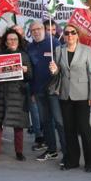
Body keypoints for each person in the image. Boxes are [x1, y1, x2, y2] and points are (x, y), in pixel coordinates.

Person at [49, 23, 91, 172]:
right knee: (69, 130)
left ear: (77, 34)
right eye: (67, 33)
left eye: (72, 32)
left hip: (83, 95)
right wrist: (54, 70)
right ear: (63, 35)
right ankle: (72, 161)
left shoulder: (86, 50)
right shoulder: (59, 49)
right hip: (65, 95)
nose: (69, 35)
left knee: (84, 129)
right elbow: (57, 73)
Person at [0, 28, 32, 164]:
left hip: (18, 94)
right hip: (1, 93)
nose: (12, 41)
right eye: (9, 39)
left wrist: (26, 70)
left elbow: (30, 76)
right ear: (5, 42)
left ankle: (19, 152)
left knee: (18, 126)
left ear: (19, 41)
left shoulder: (24, 55)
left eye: (15, 39)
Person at [27, 21, 66, 163]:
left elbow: (63, 66)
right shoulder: (30, 47)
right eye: (33, 30)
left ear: (44, 29)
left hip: (54, 89)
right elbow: (30, 70)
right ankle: (51, 150)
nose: (36, 32)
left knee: (59, 121)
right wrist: (32, 91)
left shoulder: (55, 43)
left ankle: (67, 152)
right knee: (45, 121)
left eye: (39, 29)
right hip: (38, 90)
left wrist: (56, 71)